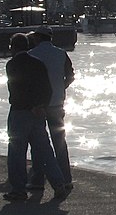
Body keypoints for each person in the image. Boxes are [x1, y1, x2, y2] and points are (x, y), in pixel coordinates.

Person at [4, 33, 68, 201]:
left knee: (17, 152)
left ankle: (18, 189)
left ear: (14, 47)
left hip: (20, 112)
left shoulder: (12, 65)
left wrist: (29, 106)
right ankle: (59, 183)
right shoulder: (38, 64)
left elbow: (16, 90)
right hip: (40, 112)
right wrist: (40, 105)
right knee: (45, 151)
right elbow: (47, 89)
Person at [27, 26, 74, 193]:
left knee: (39, 143)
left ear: (38, 38)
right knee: (60, 142)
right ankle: (66, 178)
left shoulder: (31, 54)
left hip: (38, 105)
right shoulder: (61, 54)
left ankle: (38, 180)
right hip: (57, 103)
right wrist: (61, 87)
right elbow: (70, 76)